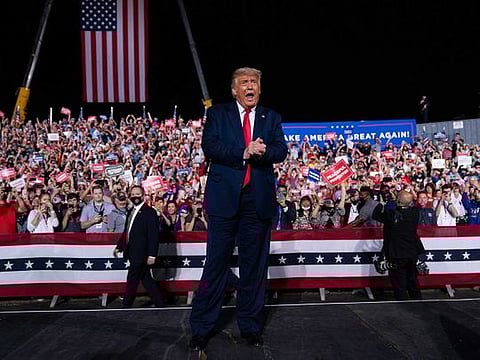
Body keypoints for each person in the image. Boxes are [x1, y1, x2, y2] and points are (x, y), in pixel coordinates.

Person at [189, 67, 288, 350]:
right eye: (244, 83)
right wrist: (243, 152)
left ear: (259, 88)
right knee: (216, 264)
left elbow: (281, 150)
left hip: (256, 202)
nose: (249, 87)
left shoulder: (272, 117)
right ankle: (202, 327)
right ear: (234, 90)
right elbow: (210, 146)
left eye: (254, 82)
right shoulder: (219, 114)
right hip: (224, 200)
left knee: (254, 267)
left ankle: (250, 326)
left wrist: (264, 151)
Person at [113, 185, 164, 308]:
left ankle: (126, 303)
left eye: (138, 194)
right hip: (132, 251)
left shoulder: (150, 212)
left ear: (143, 196)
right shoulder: (131, 211)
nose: (135, 196)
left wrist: (152, 254)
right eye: (133, 194)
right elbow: (127, 231)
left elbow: (153, 235)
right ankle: (160, 303)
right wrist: (120, 246)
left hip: (142, 253)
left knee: (132, 278)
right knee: (146, 279)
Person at [373, 190, 425, 300]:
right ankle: (416, 299)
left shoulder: (392, 215)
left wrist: (382, 203)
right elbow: (413, 204)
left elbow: (376, 214)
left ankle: (403, 300)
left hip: (397, 253)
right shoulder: (415, 213)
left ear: (398, 201)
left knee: (399, 280)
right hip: (412, 251)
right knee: (412, 278)